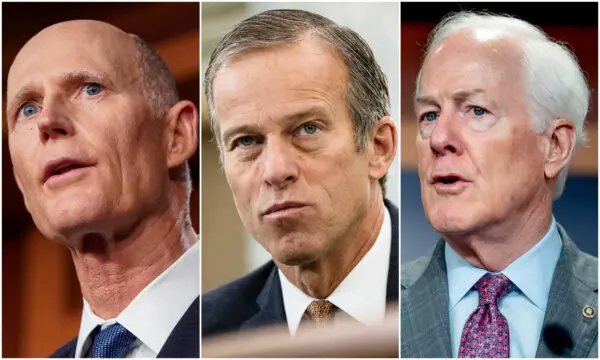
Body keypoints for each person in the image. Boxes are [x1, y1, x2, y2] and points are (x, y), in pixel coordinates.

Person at [401, 11, 598, 358]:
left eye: (476, 110)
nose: (440, 138)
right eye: (429, 115)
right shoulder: (373, 313)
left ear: (554, 146)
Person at [202, 9, 399, 340]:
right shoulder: (209, 336)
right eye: (246, 141)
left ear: (378, 147)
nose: (276, 170)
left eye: (308, 129)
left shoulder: (456, 302)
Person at [6, 20, 199, 358]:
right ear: (22, 183)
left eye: (91, 89)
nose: (48, 121)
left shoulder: (277, 330)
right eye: (28, 108)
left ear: (175, 137)